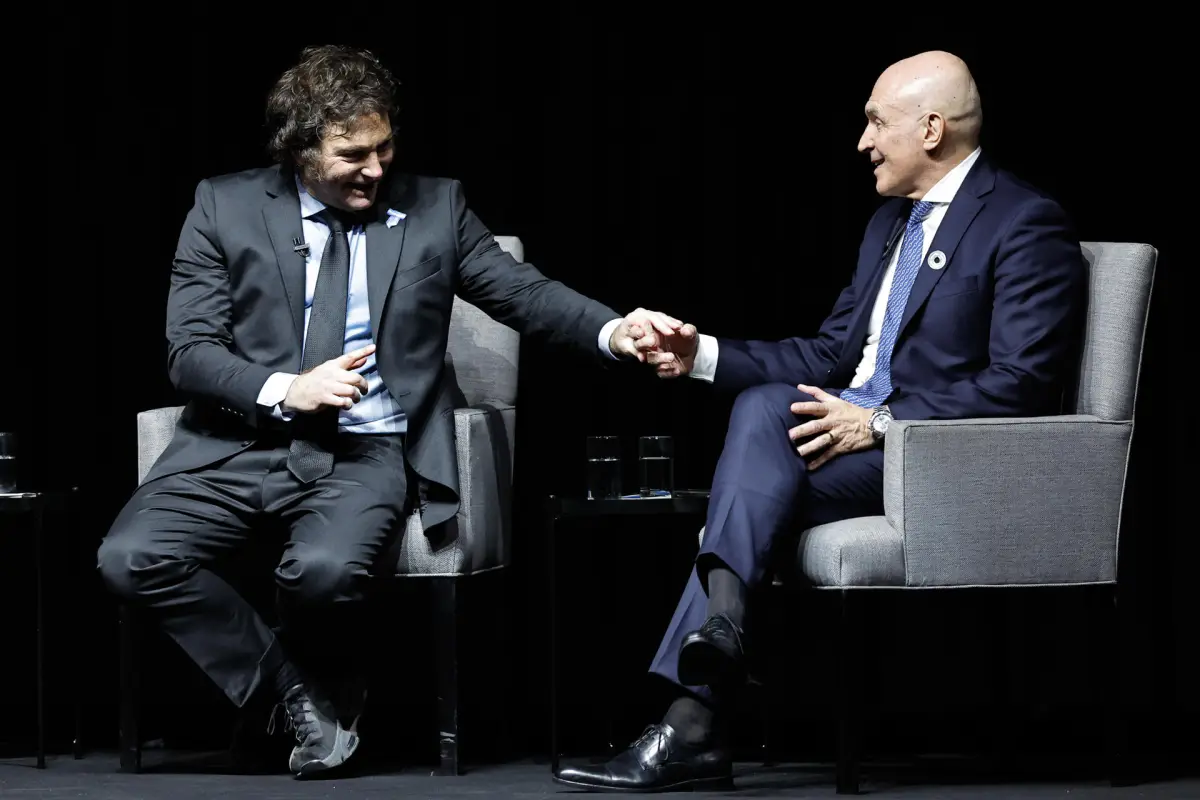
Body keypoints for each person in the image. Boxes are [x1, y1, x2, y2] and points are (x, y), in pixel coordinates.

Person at [96, 44, 680, 778]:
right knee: (128, 557)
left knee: (322, 572)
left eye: (385, 147)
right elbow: (190, 350)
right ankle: (295, 693)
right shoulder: (224, 205)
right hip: (237, 443)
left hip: (365, 446)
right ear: (299, 150)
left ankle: (306, 701)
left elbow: (522, 293)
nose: (375, 169)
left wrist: (614, 330)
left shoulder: (436, 206)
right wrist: (284, 388)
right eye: (353, 154)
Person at [553, 50, 1088, 793]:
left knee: (752, 470)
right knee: (760, 426)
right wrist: (702, 355)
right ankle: (709, 672)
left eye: (876, 122)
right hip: (853, 449)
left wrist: (882, 422)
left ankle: (697, 714)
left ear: (931, 130)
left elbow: (1022, 384)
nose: (863, 142)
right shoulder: (888, 225)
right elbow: (831, 354)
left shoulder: (1024, 222)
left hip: (937, 460)